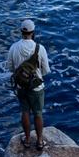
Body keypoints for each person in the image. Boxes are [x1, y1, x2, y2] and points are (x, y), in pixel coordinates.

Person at [7, 18, 50, 150]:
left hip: (21, 86)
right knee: (38, 113)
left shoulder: (13, 47)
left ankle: (26, 139)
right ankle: (39, 141)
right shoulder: (40, 48)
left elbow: (10, 67)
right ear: (33, 32)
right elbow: (46, 70)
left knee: (25, 111)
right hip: (36, 87)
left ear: (21, 32)